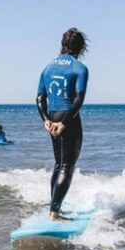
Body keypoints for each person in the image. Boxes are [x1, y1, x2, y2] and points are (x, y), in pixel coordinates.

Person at [36, 27, 89, 221]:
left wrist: (46, 120)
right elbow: (79, 99)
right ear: (81, 47)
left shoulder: (48, 67)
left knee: (58, 164)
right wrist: (65, 123)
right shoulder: (79, 68)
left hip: (52, 115)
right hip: (69, 118)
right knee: (67, 166)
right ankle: (54, 212)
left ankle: (54, 207)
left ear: (62, 44)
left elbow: (40, 98)